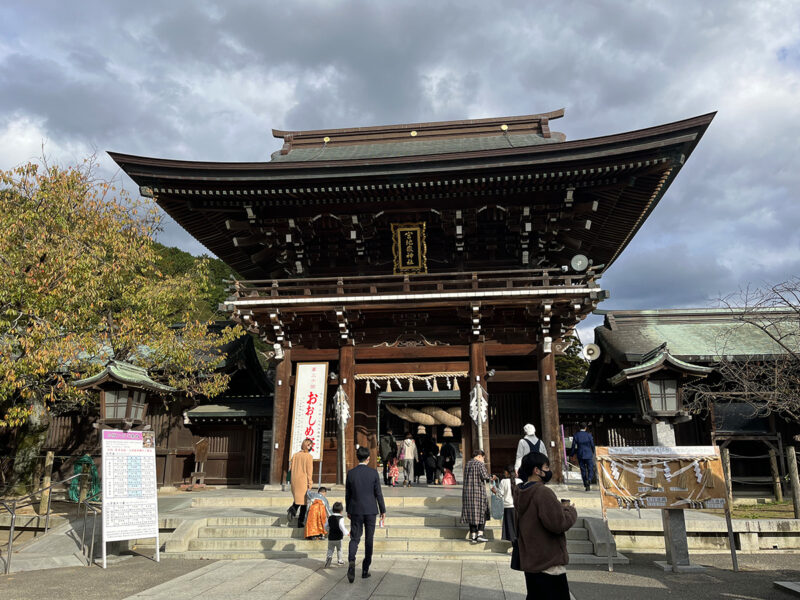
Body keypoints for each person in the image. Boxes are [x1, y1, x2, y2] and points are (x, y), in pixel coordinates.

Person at [513, 452, 577, 600]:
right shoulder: (542, 492)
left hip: (530, 558)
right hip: (548, 560)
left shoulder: (520, 491)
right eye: (546, 467)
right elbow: (558, 523)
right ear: (537, 470)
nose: (548, 470)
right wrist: (570, 511)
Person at [345, 446, 386, 583]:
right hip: (370, 510)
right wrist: (383, 510)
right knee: (369, 539)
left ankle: (351, 561)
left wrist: (348, 510)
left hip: (355, 509)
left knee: (355, 538)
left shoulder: (351, 473)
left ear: (357, 457)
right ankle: (365, 569)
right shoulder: (373, 473)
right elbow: (378, 493)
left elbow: (348, 494)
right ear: (368, 458)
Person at [461, 449, 491, 543]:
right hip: (478, 493)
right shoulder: (479, 464)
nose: (483, 460)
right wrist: (492, 477)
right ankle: (480, 534)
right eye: (483, 457)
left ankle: (473, 536)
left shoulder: (467, 464)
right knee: (483, 512)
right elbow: (485, 476)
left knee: (471, 514)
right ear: (479, 456)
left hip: (468, 493)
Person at [491, 464, 523, 542]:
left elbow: (500, 495)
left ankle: (514, 548)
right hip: (519, 508)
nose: (504, 473)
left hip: (508, 508)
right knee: (519, 528)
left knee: (511, 530)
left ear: (507, 472)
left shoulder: (503, 481)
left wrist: (495, 491)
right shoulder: (520, 481)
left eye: (504, 472)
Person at [288, 438, 314, 527]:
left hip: (295, 480)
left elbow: (290, 469)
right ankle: (300, 520)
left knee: (299, 499)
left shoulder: (295, 455)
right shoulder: (309, 457)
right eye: (309, 445)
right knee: (304, 502)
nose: (310, 447)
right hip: (303, 481)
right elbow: (309, 471)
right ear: (306, 445)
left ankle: (292, 510)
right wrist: (310, 483)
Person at [570, 422, 596, 491]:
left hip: (580, 454)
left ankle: (586, 484)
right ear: (585, 428)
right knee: (590, 468)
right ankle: (589, 479)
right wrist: (594, 453)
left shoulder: (576, 435)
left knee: (583, 470)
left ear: (579, 427)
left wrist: (572, 454)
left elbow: (573, 446)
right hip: (589, 454)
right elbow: (592, 445)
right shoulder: (589, 435)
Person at [324, 501, 349, 568]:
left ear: (332, 510)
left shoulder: (329, 517)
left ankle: (328, 558)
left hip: (331, 537)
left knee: (330, 549)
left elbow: (325, 526)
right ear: (341, 511)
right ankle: (340, 560)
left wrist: (328, 530)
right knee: (339, 549)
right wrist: (346, 532)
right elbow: (342, 527)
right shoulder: (341, 518)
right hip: (339, 537)